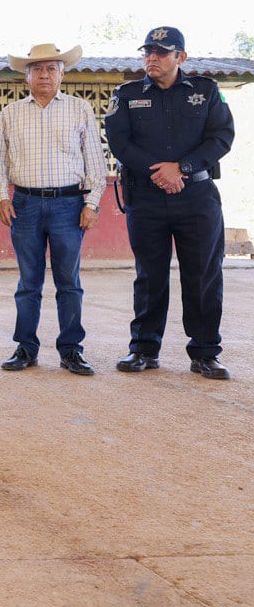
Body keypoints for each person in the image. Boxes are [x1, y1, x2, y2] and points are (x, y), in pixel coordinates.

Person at [105, 26, 235, 380]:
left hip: (196, 196)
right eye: (148, 51)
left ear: (181, 57)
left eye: (162, 52)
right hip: (146, 197)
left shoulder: (206, 92)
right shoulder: (127, 94)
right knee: (149, 276)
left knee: (203, 275)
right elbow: (120, 142)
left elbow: (222, 137)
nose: (152, 58)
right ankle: (144, 349)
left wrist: (182, 168)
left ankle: (206, 352)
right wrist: (159, 173)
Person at [0, 44, 105, 376]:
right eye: (37, 69)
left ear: (62, 73)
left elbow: (94, 161)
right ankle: (26, 347)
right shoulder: (11, 112)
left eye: (51, 69)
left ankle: (71, 350)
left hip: (69, 205)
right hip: (24, 204)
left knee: (69, 281)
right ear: (26, 76)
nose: (44, 75)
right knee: (29, 282)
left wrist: (91, 204)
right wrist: (1, 196)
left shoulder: (79, 109)